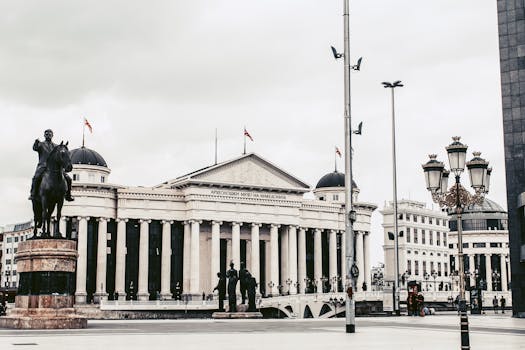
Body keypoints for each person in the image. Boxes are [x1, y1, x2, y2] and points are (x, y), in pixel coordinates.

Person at [29, 129, 74, 202]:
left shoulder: (56, 146)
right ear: (44, 135)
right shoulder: (41, 144)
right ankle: (33, 194)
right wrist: (36, 143)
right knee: (36, 177)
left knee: (68, 179)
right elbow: (35, 148)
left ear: (52, 135)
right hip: (43, 165)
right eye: (46, 134)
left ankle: (68, 195)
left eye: (50, 134)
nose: (48, 135)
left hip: (55, 167)